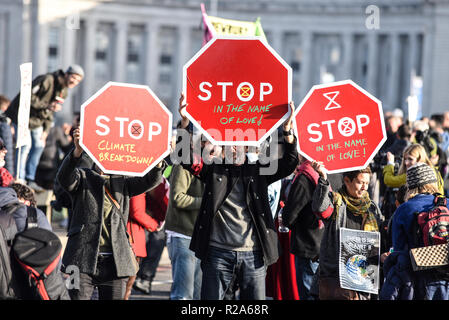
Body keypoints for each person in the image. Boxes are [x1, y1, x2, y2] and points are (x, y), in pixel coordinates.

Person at [177, 93, 299, 300]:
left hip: (254, 255)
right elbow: (184, 157)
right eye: (230, 143)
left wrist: (286, 130)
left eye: (240, 143)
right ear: (222, 147)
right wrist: (185, 122)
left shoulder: (259, 171)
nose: (235, 147)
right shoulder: (214, 170)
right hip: (217, 254)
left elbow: (289, 162)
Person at [56, 128, 166, 300]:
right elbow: (64, 179)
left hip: (116, 263)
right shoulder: (83, 176)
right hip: (80, 261)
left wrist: (158, 162)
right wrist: (76, 153)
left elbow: (150, 181)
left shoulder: (123, 180)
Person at [311, 161, 384, 300]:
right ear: (347, 181)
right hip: (336, 279)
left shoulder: (372, 208)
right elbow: (319, 208)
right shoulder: (336, 201)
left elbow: (380, 240)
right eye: (360, 182)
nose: (364, 188)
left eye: (367, 183)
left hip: (363, 279)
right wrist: (323, 180)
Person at [6, 65, 84, 191]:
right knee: (25, 146)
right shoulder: (46, 80)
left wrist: (46, 130)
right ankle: (19, 177)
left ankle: (30, 178)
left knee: (39, 145)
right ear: (67, 74)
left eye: (78, 81)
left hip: (38, 121)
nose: (74, 82)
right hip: (23, 116)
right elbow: (26, 95)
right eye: (74, 77)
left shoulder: (63, 92)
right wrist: (47, 105)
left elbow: (50, 113)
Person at [381, 162, 449, 300]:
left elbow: (399, 250)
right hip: (445, 278)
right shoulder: (447, 203)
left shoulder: (403, 209)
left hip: (417, 282)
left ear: (410, 185)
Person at [282, 156, 331, 300]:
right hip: (326, 244)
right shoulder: (332, 171)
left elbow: (289, 217)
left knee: (309, 294)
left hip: (307, 247)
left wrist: (284, 214)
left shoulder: (304, 177)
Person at [164, 163, 204, 300]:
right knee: (183, 295)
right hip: (183, 235)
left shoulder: (213, 164)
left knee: (199, 294)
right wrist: (207, 202)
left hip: (201, 236)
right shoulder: (183, 165)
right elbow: (177, 198)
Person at [123, 193, 164, 300]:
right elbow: (137, 212)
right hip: (131, 235)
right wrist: (155, 225)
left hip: (124, 234)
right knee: (125, 287)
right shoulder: (136, 183)